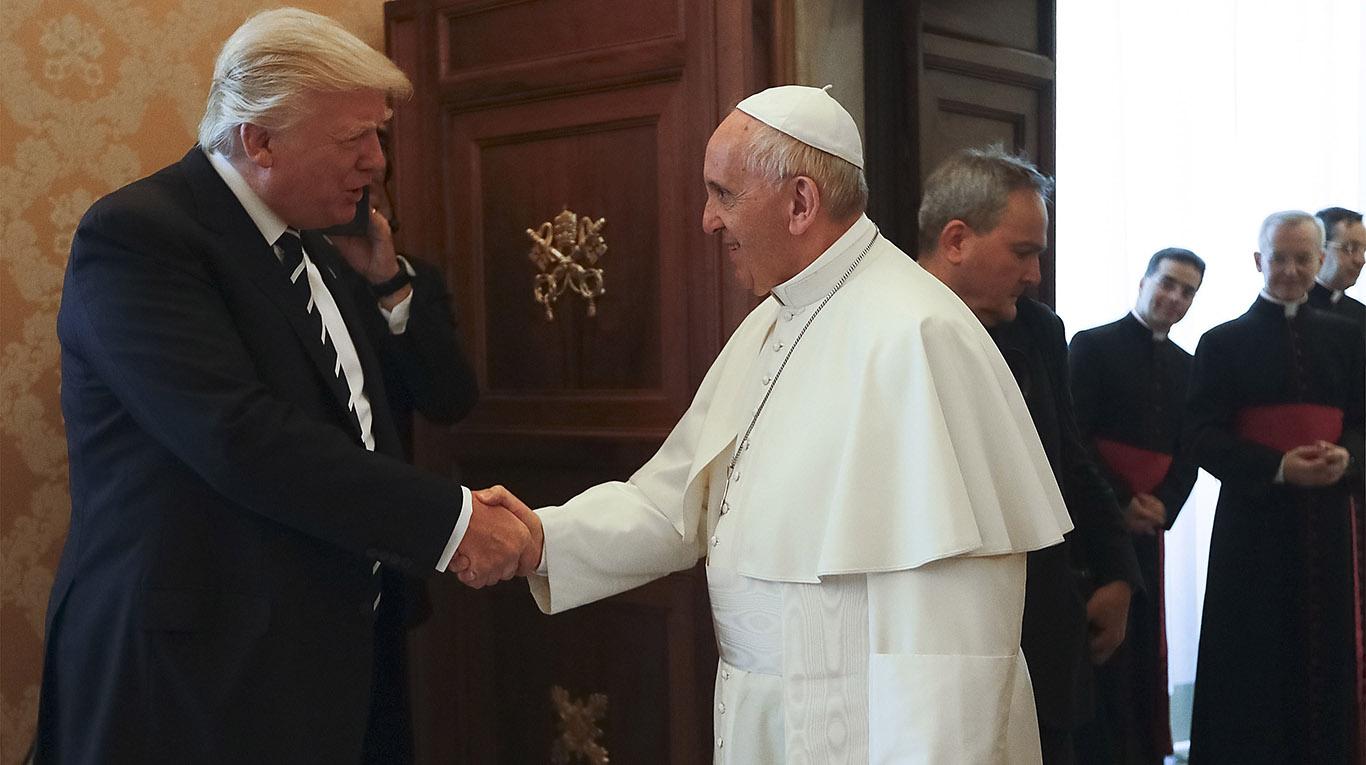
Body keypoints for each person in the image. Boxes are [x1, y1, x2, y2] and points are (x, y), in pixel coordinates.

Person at [475, 86, 1073, 763]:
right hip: (763, 715)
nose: (707, 219)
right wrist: (538, 539)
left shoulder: (919, 335)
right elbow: (674, 502)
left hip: (857, 729)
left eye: (723, 194)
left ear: (800, 202)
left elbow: (954, 651)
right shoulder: (770, 320)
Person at [35, 9, 530, 763]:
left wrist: (390, 281)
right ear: (258, 139)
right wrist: (455, 521)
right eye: (352, 139)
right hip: (196, 673)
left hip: (338, 650)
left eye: (379, 136)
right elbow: (241, 435)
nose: (377, 163)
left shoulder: (324, 252)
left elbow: (407, 405)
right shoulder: (139, 235)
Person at [915, 146, 1143, 765]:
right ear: (957, 239)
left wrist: (1119, 572)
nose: (1035, 273)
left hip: (1042, 627)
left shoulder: (1039, 330)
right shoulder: (890, 329)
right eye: (1023, 252)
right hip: (936, 637)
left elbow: (1069, 460)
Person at [1185, 211, 1364, 765]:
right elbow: (1198, 436)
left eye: (1303, 258)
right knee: (1252, 658)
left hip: (1332, 519)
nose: (1290, 270)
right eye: (1279, 258)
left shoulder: (1353, 338)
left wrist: (1349, 456)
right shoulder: (1221, 343)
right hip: (1253, 524)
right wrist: (1279, 467)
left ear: (1320, 261)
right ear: (1259, 261)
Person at [1067, 248, 1205, 765]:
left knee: (1145, 648)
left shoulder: (1189, 366)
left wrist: (1163, 506)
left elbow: (1190, 450)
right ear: (1145, 280)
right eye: (1168, 283)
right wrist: (1120, 504)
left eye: (1187, 292)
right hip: (1096, 525)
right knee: (1105, 649)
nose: (1174, 297)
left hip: (1150, 527)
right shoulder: (1092, 345)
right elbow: (1074, 439)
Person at [1309, 206, 1365, 324]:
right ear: (1319, 250)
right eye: (1350, 248)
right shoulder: (1294, 310)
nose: (1360, 260)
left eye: (1363, 250)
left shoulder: (1361, 314)